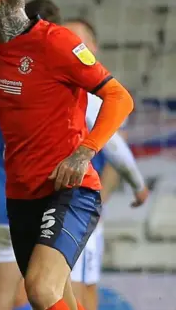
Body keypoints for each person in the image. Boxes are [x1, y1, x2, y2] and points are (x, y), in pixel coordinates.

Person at [0, 0, 134, 310]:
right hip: (21, 196)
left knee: (39, 287)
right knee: (53, 298)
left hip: (68, 190)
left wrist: (84, 151)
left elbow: (119, 97)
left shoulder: (56, 43)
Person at [63, 17, 149, 310]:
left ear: (94, 47)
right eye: (67, 40)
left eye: (80, 40)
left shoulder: (100, 93)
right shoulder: (52, 86)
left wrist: (99, 201)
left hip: (77, 205)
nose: (73, 47)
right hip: (41, 204)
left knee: (78, 290)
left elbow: (116, 151)